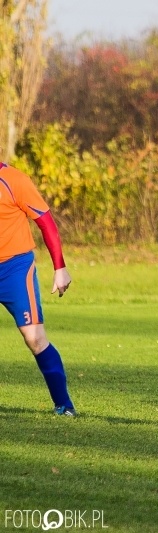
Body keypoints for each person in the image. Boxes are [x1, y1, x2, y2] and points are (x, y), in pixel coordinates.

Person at [0, 163, 76, 416]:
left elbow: (46, 223)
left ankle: (64, 405)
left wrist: (59, 268)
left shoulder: (14, 180)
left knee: (35, 338)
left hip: (14, 270)